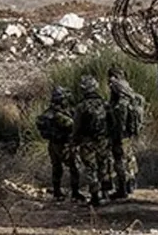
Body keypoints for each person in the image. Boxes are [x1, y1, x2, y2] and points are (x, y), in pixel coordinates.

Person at [73, 75, 115, 206]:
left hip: (87, 142)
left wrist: (74, 141)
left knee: (91, 169)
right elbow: (112, 122)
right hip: (103, 140)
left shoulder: (81, 107)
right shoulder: (105, 104)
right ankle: (106, 193)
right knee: (104, 166)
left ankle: (95, 196)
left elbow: (76, 127)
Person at [36, 86, 81, 201]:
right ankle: (75, 193)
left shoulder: (49, 112)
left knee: (56, 168)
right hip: (63, 144)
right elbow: (72, 125)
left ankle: (57, 192)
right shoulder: (59, 115)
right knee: (75, 167)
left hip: (53, 145)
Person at [107, 66, 143, 200]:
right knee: (129, 157)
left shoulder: (117, 88)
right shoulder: (128, 90)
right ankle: (131, 184)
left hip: (120, 133)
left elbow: (120, 112)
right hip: (128, 132)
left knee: (119, 159)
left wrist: (117, 129)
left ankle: (123, 188)